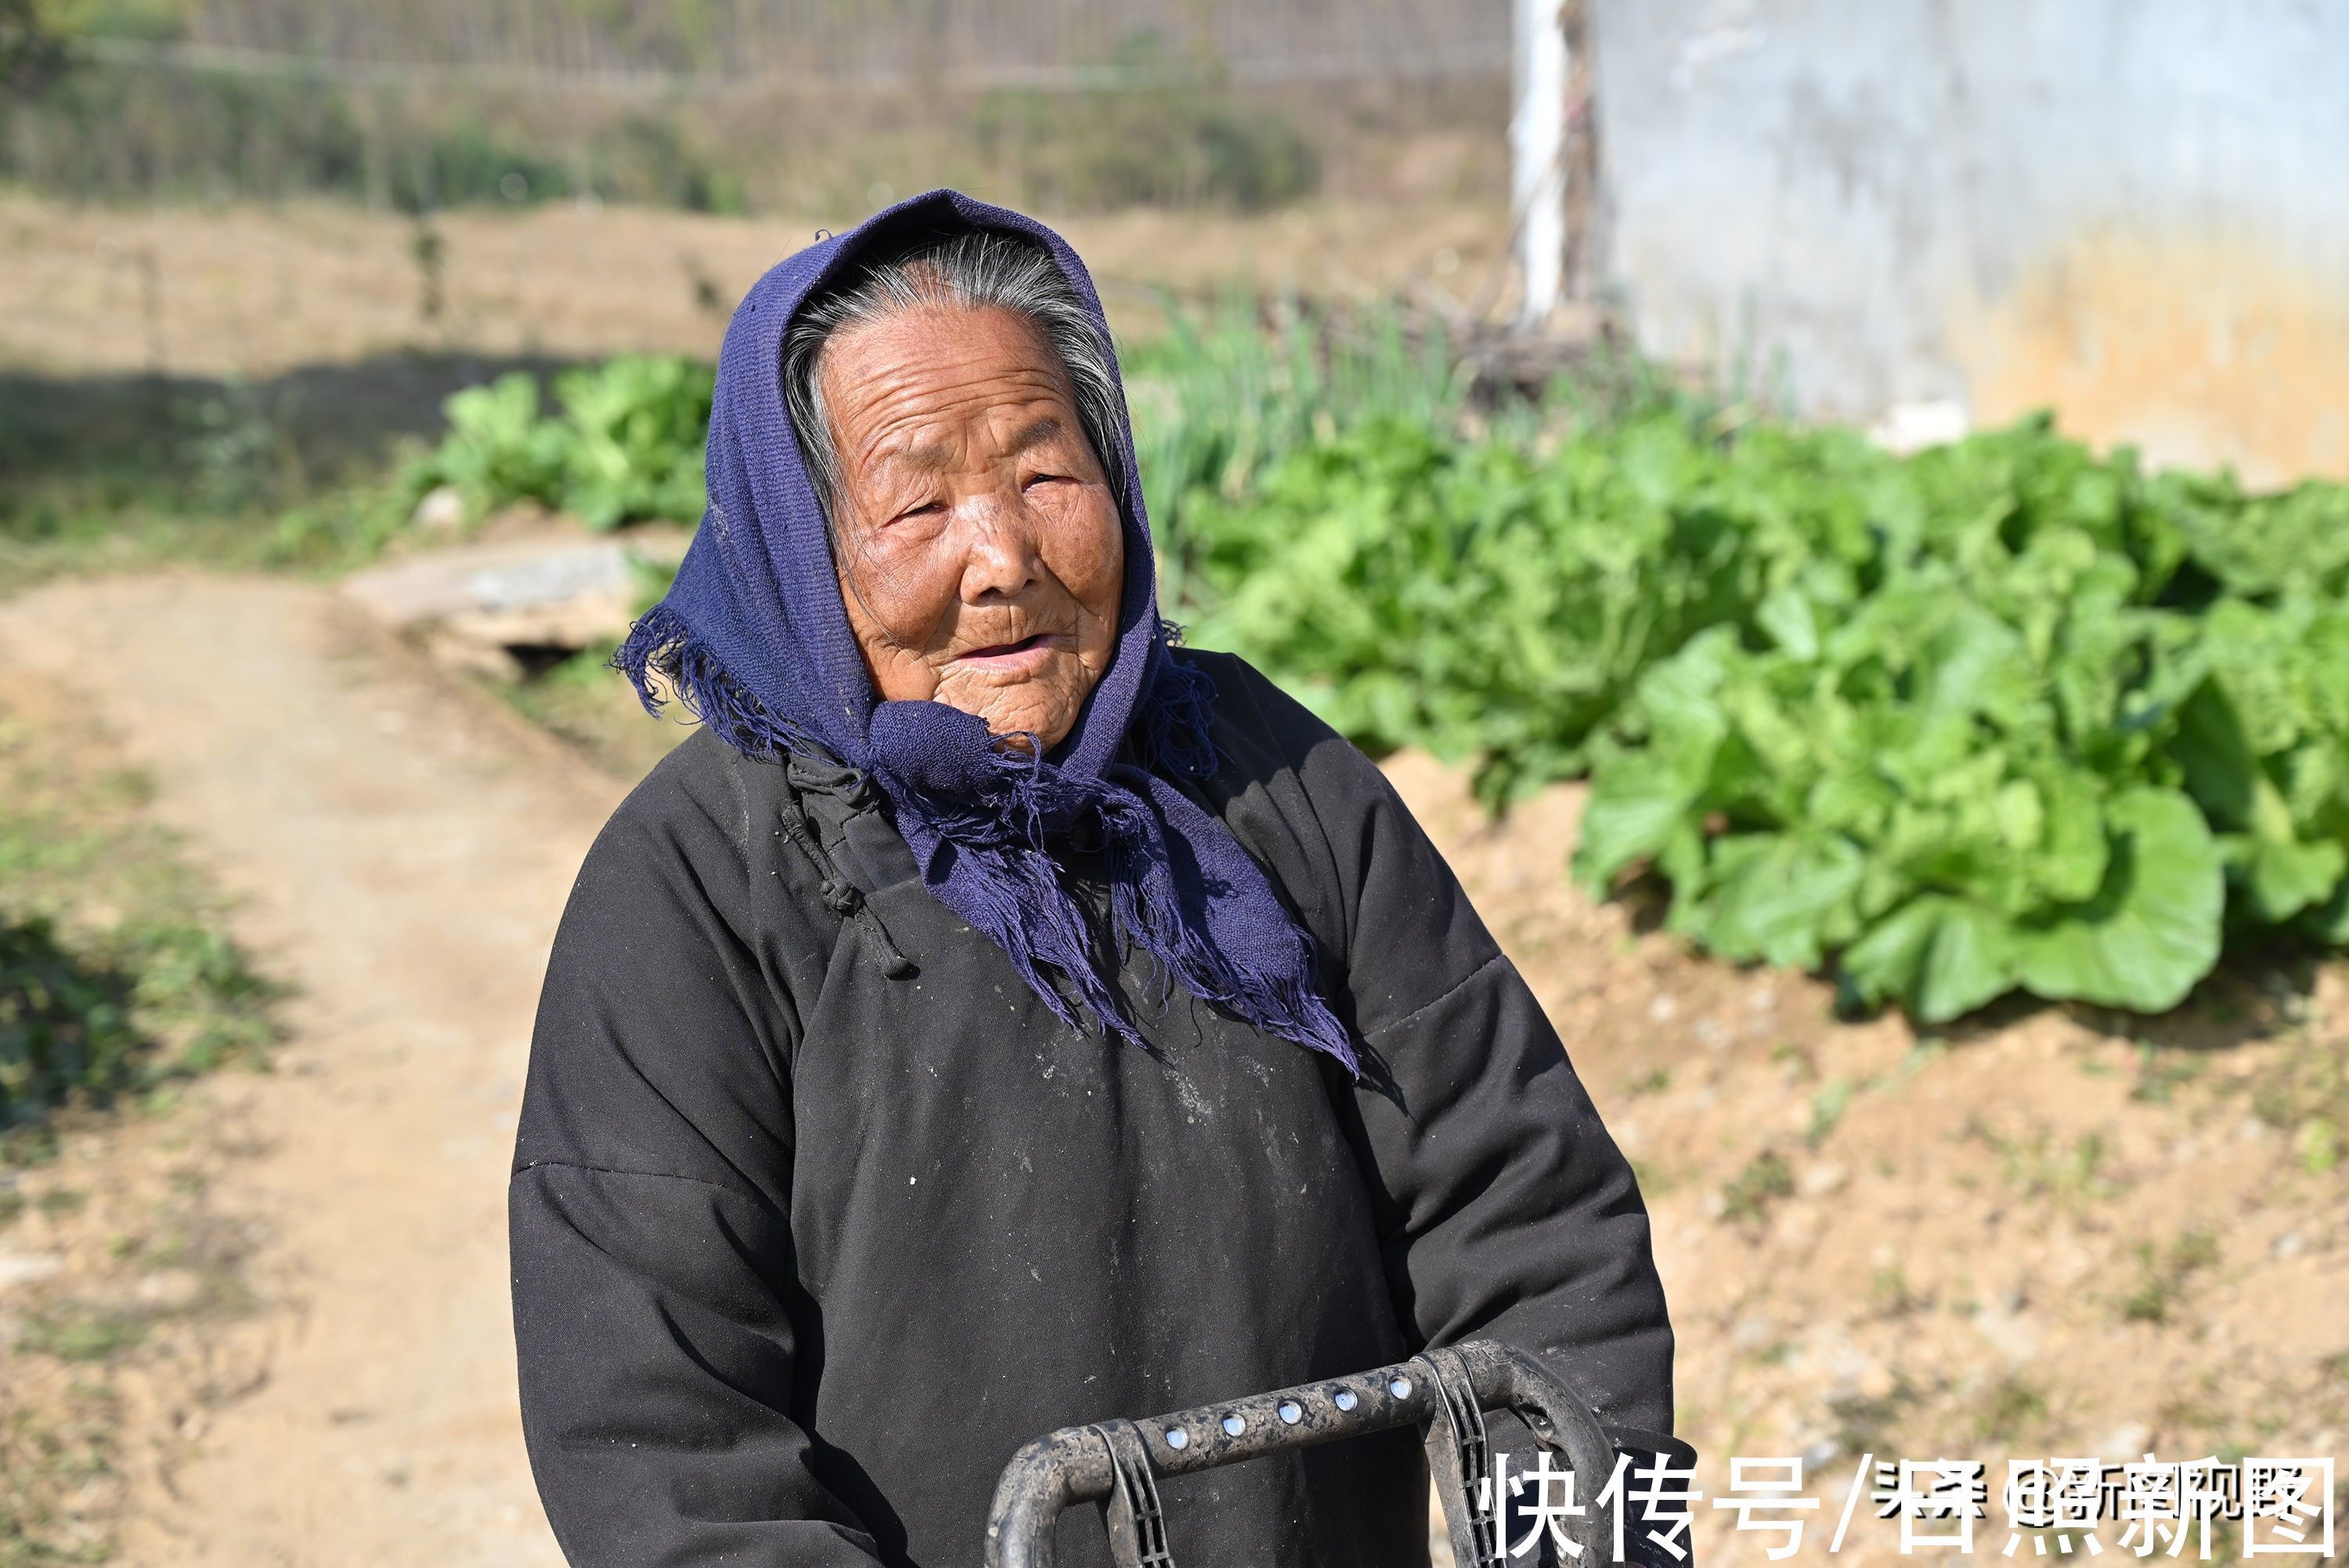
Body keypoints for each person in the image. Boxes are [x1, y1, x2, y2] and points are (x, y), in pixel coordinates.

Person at [509, 189, 1678, 1568]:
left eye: (1046, 475)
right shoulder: (699, 887)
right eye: (918, 503)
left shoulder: (1268, 778)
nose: (1003, 560)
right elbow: (661, 1440)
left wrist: (1567, 1544)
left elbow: (1532, 1221)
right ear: (798, 546)